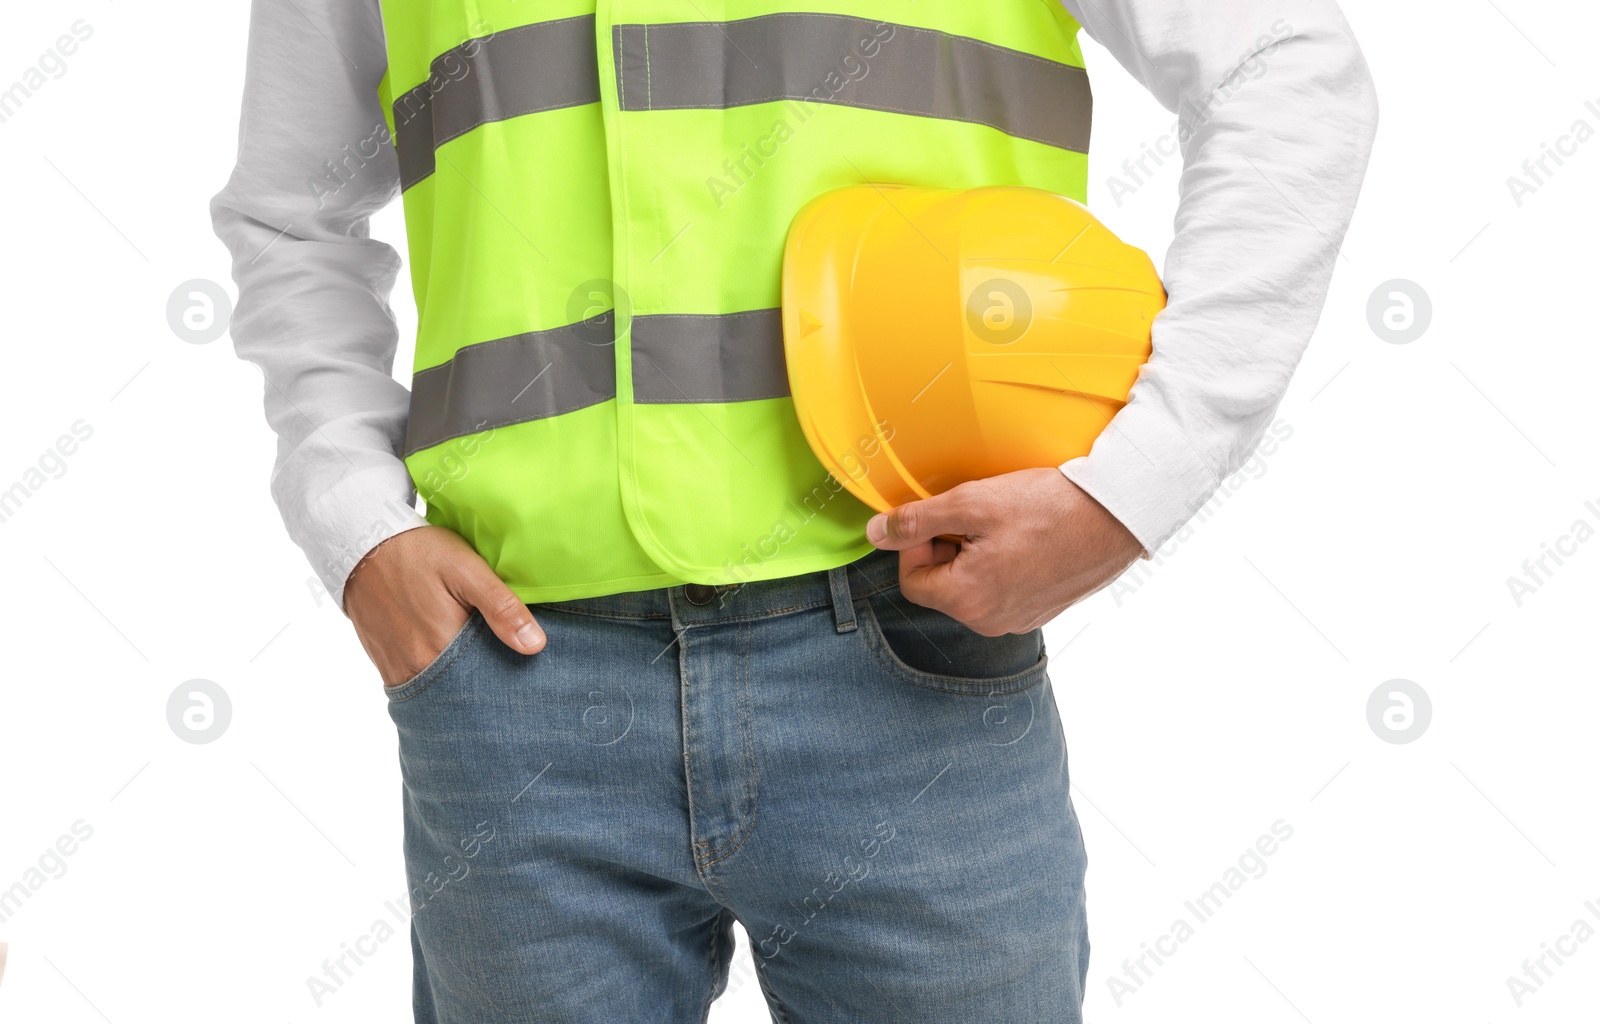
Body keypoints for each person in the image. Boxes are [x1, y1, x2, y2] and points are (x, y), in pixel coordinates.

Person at [211, 1, 1377, 1020]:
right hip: (515, 682)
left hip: (910, 660)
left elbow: (1282, 60)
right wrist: (358, 526)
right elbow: (292, 213)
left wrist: (1132, 486)